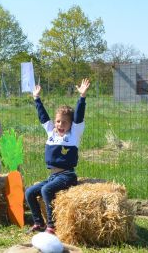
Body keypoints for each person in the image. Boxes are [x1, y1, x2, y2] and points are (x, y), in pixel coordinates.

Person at [25, 79, 90, 234]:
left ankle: (51, 225)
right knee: (29, 192)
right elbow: (43, 117)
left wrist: (82, 97)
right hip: (53, 177)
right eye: (58, 121)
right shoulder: (51, 132)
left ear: (71, 124)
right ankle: (38, 223)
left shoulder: (74, 134)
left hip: (67, 176)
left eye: (64, 123)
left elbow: (79, 117)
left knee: (46, 190)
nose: (60, 125)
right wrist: (36, 98)